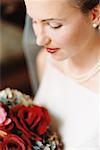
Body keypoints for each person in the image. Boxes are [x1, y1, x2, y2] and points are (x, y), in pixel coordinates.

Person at [24, 0, 100, 149]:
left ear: (94, 15)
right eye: (34, 21)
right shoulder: (45, 61)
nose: (40, 40)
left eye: (54, 25)